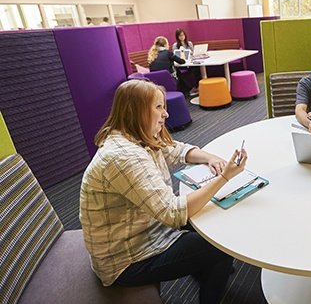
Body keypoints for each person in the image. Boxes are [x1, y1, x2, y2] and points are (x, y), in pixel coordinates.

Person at [80, 79, 247, 303]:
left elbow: (175, 149)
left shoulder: (135, 135)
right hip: (126, 260)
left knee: (211, 220)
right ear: (136, 111)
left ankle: (207, 267)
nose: (165, 114)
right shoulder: (123, 157)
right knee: (220, 243)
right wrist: (225, 177)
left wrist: (210, 158)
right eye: (158, 107)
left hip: (146, 229)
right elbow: (173, 213)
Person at [172, 28, 201, 94]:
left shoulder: (189, 43)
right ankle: (191, 88)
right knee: (184, 72)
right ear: (177, 37)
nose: (182, 37)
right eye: (180, 36)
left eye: (183, 35)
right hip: (181, 64)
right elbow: (175, 56)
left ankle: (197, 86)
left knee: (197, 69)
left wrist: (191, 53)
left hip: (190, 62)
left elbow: (193, 53)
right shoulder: (175, 45)